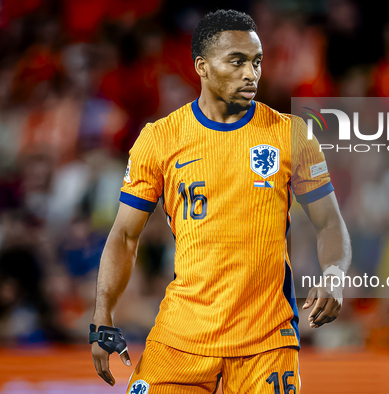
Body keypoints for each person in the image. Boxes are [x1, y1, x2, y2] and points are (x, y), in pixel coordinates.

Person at [90, 9, 351, 394]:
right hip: (181, 337)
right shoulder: (159, 139)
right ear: (202, 66)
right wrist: (102, 315)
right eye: (237, 61)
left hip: (265, 341)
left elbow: (329, 222)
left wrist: (334, 274)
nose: (252, 73)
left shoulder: (292, 135)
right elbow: (125, 236)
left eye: (257, 62)